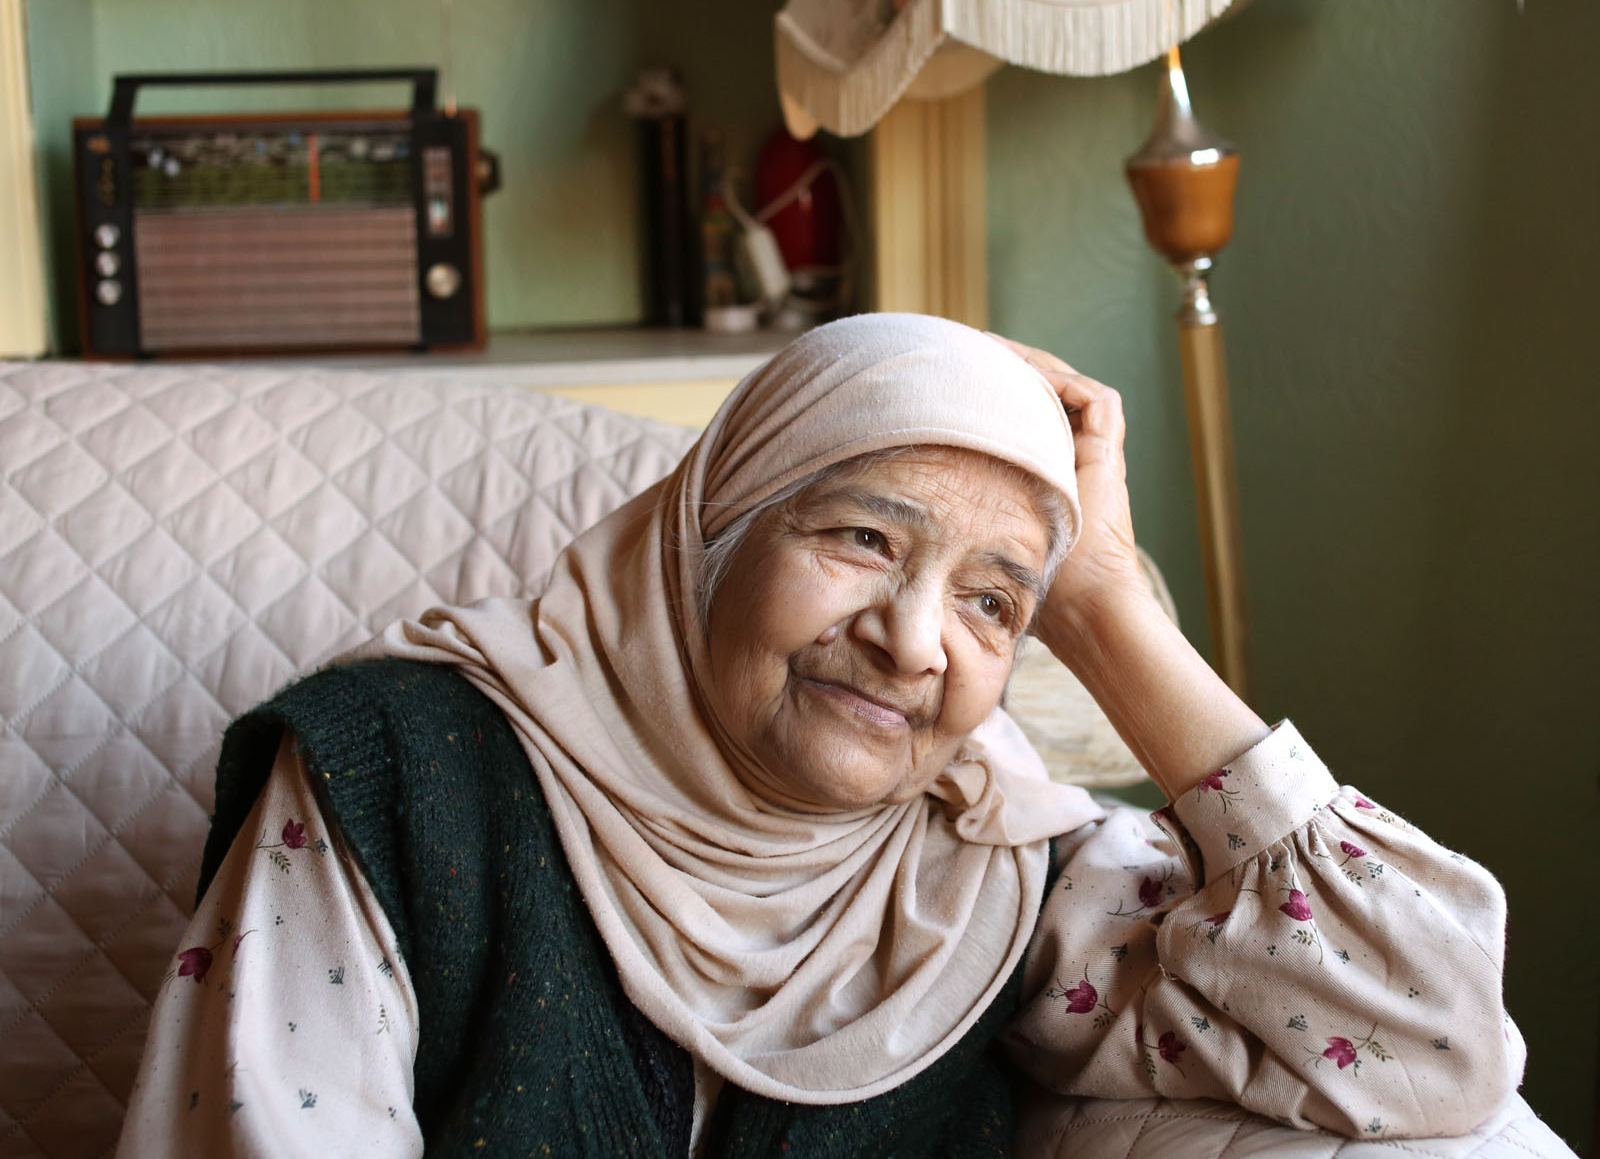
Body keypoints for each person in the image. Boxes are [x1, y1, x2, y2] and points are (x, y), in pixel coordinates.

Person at [117, 314, 1522, 1157]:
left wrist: (1106, 617)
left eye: (992, 603)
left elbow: (1430, 1037)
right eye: (861, 537)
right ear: (704, 539)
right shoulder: (397, 773)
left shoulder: (993, 873)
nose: (916, 641)